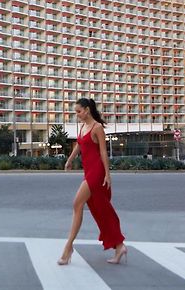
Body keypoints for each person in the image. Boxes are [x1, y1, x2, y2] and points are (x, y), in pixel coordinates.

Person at [57, 98, 127, 265]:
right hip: (88, 172)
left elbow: (103, 153)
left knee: (77, 204)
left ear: (87, 110)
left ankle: (68, 248)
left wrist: (107, 175)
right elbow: (79, 146)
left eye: (79, 111)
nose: (77, 115)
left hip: (96, 173)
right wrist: (69, 160)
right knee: (100, 210)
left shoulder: (97, 128)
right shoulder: (83, 127)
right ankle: (119, 246)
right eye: (76, 112)